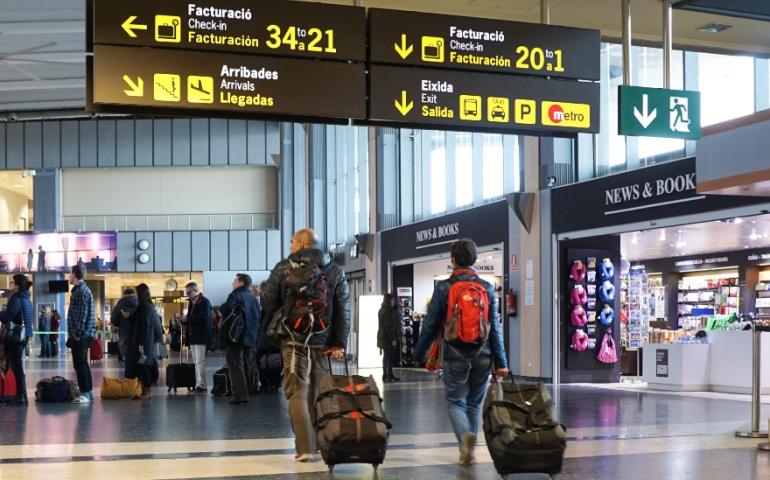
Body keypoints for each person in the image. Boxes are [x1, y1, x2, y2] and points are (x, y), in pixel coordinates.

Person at [415, 239, 509, 467]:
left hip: (454, 353)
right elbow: (495, 328)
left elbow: (430, 324)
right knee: (474, 404)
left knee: (456, 401)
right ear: (475, 260)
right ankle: (470, 446)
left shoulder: (444, 287)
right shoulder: (486, 288)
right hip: (484, 353)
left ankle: (463, 440)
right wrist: (501, 362)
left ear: (453, 260)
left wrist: (420, 353)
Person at [262, 228, 350, 462]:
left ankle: (304, 448)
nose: (290, 247)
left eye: (292, 243)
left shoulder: (283, 268)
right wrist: (339, 342)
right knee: (318, 391)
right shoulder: (334, 270)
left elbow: (268, 302)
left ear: (301, 244)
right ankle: (321, 443)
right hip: (323, 340)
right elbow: (343, 308)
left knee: (296, 392)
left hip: (293, 339)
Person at [220, 273, 260, 405]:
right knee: (247, 364)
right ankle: (249, 390)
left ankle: (241, 396)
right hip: (251, 336)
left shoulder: (235, 295)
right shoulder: (253, 298)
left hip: (236, 337)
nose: (233, 283)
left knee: (236, 365)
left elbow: (226, 310)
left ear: (241, 282)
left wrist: (220, 308)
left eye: (235, 281)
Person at [0, 274, 34, 405]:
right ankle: (19, 394)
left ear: (17, 285)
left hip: (15, 337)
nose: (10, 285)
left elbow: (7, 317)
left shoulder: (16, 298)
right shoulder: (27, 299)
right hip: (23, 336)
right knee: (14, 365)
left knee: (16, 366)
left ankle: (20, 395)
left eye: (12, 282)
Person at [67, 265, 96, 404]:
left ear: (75, 274)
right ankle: (88, 392)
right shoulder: (83, 290)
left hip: (81, 335)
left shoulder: (80, 291)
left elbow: (81, 315)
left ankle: (85, 393)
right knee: (82, 364)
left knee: (80, 364)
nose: (69, 276)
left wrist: (76, 334)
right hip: (84, 334)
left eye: (70, 273)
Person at [126, 283, 161, 398]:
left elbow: (145, 326)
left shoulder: (146, 307)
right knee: (142, 364)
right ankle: (143, 388)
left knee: (143, 365)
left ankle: (147, 389)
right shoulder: (144, 306)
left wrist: (142, 343)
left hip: (143, 342)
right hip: (142, 341)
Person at [184, 282, 212, 393]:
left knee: (200, 361)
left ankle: (201, 385)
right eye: (186, 292)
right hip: (193, 336)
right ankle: (199, 383)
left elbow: (203, 318)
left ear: (195, 291)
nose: (187, 295)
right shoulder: (192, 303)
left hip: (201, 335)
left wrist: (188, 319)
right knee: (196, 361)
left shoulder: (204, 302)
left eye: (189, 292)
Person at [377, 293, 401, 382]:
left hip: (383, 337)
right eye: (392, 300)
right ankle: (389, 375)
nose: (394, 302)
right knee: (389, 357)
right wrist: (393, 339)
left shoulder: (382, 310)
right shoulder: (388, 311)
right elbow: (389, 327)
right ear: (389, 300)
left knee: (386, 357)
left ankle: (386, 375)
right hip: (387, 339)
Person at [113, 288, 138, 369]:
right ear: (133, 294)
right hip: (137, 333)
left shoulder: (120, 304)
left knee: (127, 356)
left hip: (124, 333)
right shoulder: (139, 302)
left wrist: (118, 324)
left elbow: (114, 319)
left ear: (124, 294)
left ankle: (128, 376)